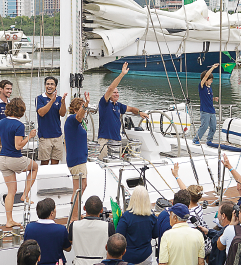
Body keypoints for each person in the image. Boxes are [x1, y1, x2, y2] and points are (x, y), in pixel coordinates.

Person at [98, 62, 149, 160]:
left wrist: (139, 112)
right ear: (109, 94)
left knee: (117, 165)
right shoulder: (104, 103)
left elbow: (130, 109)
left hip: (117, 141)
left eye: (117, 92)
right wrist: (122, 74)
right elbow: (111, 88)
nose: (116, 94)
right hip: (105, 141)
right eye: (114, 93)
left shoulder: (118, 105)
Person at [0, 98, 38, 228]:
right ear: (21, 110)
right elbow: (18, 146)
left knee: (11, 191)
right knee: (35, 167)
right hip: (14, 158)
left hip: (2, 159)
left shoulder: (2, 122)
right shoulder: (19, 125)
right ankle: (25, 195)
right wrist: (30, 136)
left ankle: (9, 220)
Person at [116, 185, 158, 265]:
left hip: (128, 256)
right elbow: (155, 234)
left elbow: (118, 235)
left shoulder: (126, 217)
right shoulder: (152, 216)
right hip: (146, 255)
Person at [64, 92, 90, 222]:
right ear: (75, 109)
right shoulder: (71, 120)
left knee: (83, 185)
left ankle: (77, 212)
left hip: (80, 159)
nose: (84, 111)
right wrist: (85, 104)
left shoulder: (77, 123)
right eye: (80, 107)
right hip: (76, 160)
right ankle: (74, 216)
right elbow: (80, 115)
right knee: (78, 189)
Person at [69, 195, 115, 265]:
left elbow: (71, 241)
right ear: (101, 210)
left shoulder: (74, 226)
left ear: (84, 208)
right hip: (101, 262)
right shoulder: (108, 226)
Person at [24, 198, 71, 265]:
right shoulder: (61, 229)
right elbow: (68, 248)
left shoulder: (29, 228)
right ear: (51, 213)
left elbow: (26, 246)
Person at [36, 76, 67, 165]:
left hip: (57, 135)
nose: (49, 86)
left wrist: (63, 102)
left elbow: (62, 114)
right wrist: (51, 101)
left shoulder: (59, 98)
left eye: (52, 84)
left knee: (55, 162)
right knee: (44, 162)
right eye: (47, 84)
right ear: (45, 85)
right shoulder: (40, 98)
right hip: (45, 136)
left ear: (55, 86)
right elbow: (41, 113)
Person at [199, 201, 234, 265]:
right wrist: (208, 232)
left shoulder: (225, 234)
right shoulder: (235, 230)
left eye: (218, 213)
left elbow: (218, 259)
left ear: (223, 216)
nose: (217, 216)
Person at [193, 63, 219, 145]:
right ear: (206, 80)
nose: (212, 81)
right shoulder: (201, 86)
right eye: (210, 79)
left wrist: (214, 99)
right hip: (205, 111)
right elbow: (205, 76)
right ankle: (195, 140)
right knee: (204, 126)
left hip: (211, 110)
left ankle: (209, 140)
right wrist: (212, 68)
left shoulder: (209, 88)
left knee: (213, 127)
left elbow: (208, 97)